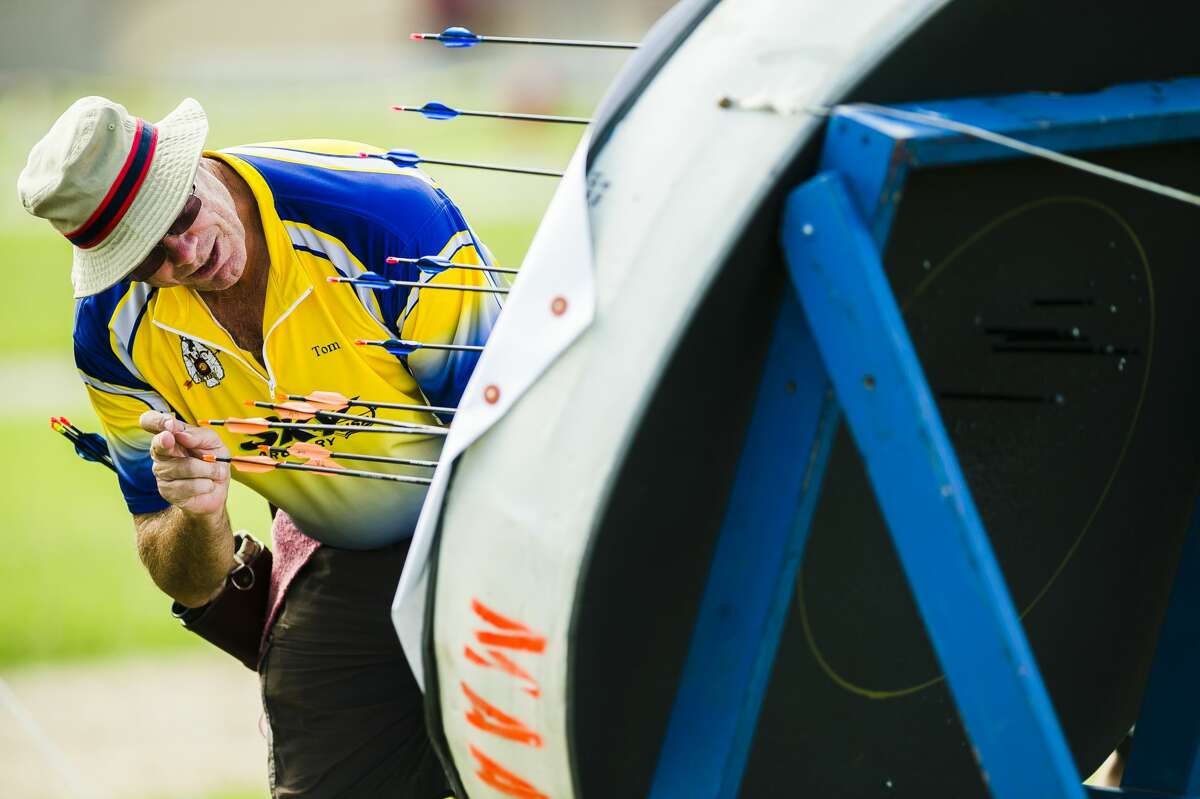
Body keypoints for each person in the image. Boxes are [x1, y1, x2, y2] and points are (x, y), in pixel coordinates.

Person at [18, 96, 504, 797]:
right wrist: (198, 513)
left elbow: (509, 443)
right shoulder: (111, 331)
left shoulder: (388, 220)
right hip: (339, 552)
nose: (186, 255)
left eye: (180, 217)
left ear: (193, 165)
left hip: (482, 522)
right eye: (147, 256)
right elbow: (187, 580)